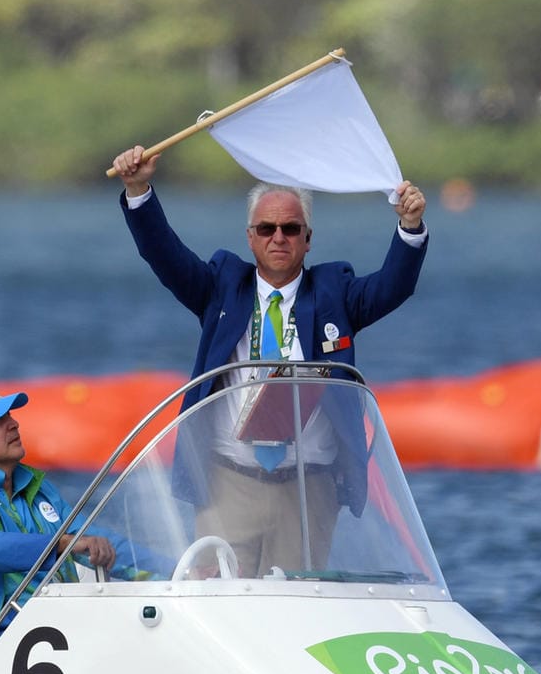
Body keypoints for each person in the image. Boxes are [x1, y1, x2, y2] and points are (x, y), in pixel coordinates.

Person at [109, 144, 428, 575]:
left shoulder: (335, 292)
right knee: (219, 600)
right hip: (229, 482)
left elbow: (393, 286)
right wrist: (138, 189)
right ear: (250, 237)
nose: (279, 237)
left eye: (291, 229)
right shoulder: (222, 285)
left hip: (309, 485)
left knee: (295, 605)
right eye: (266, 228)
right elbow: (164, 256)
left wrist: (409, 227)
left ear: (309, 239)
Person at [0, 387, 118, 657]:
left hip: (62, 632)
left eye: (10, 416)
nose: (13, 424)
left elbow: (97, 540)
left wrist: (179, 568)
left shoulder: (40, 488)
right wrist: (59, 545)